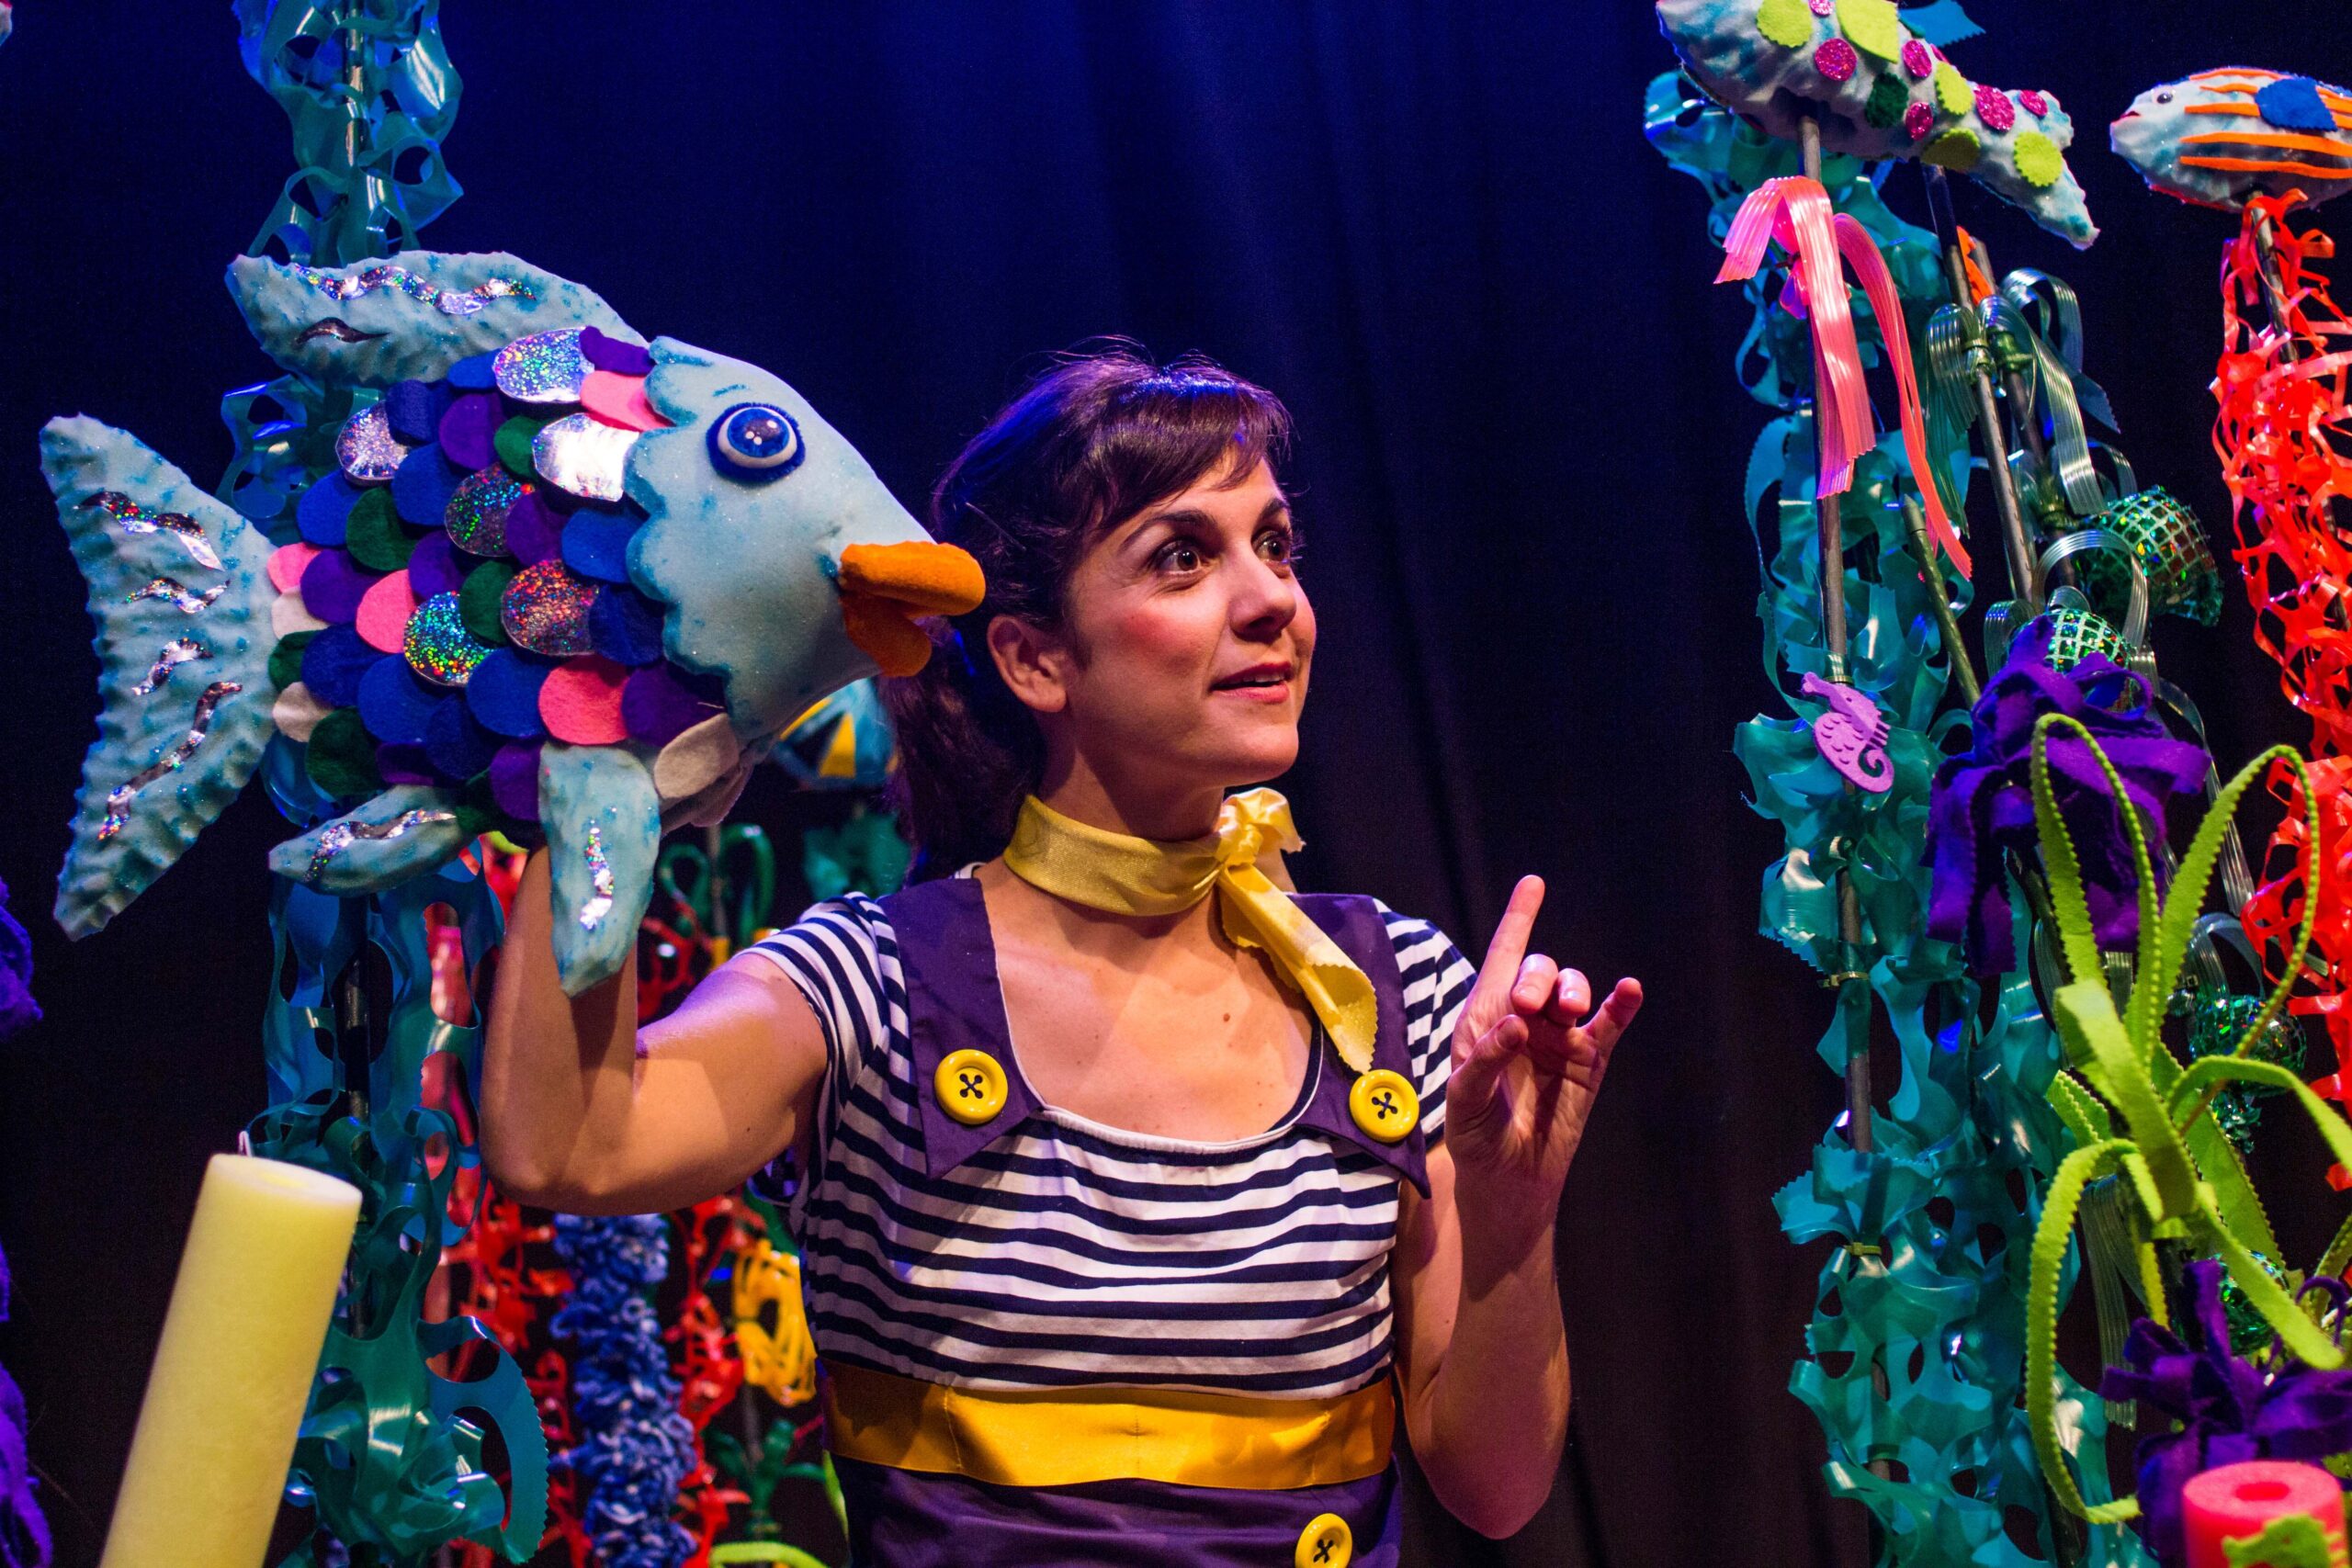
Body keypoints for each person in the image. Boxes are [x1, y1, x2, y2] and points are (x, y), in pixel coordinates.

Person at [481, 350, 1642, 1568]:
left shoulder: (1394, 993)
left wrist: (1513, 1222)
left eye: (1276, 545)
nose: (1271, 601)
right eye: (1182, 556)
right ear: (1035, 658)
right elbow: (567, 1141)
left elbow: (1496, 1489)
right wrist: (589, 728)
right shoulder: (872, 992)